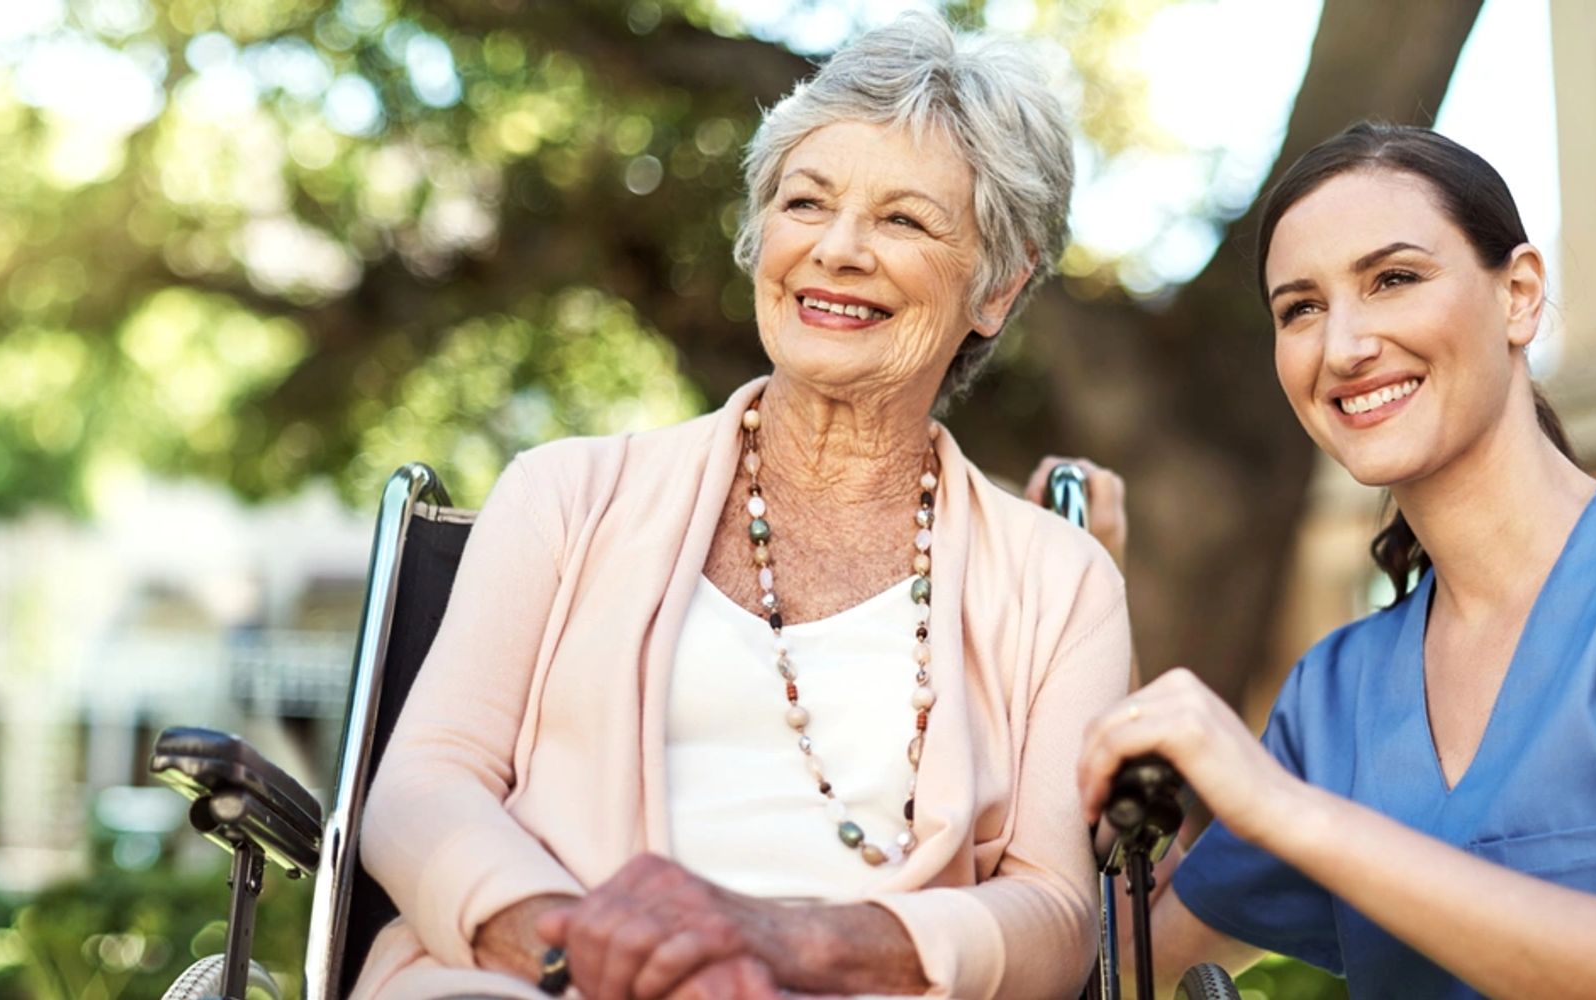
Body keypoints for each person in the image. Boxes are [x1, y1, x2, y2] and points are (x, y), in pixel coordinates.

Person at [349, 13, 1131, 1000]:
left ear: (997, 291)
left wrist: (789, 945)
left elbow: (1058, 915)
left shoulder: (1062, 583)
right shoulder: (564, 494)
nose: (838, 249)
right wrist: (581, 948)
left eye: (903, 220)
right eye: (806, 203)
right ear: (761, 236)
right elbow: (422, 787)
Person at [1049, 122, 1596, 998]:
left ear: (1519, 295)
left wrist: (1296, 816)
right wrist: (1089, 598)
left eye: (1393, 279)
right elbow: (1137, 957)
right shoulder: (1335, 696)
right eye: (1300, 308)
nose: (1342, 347)